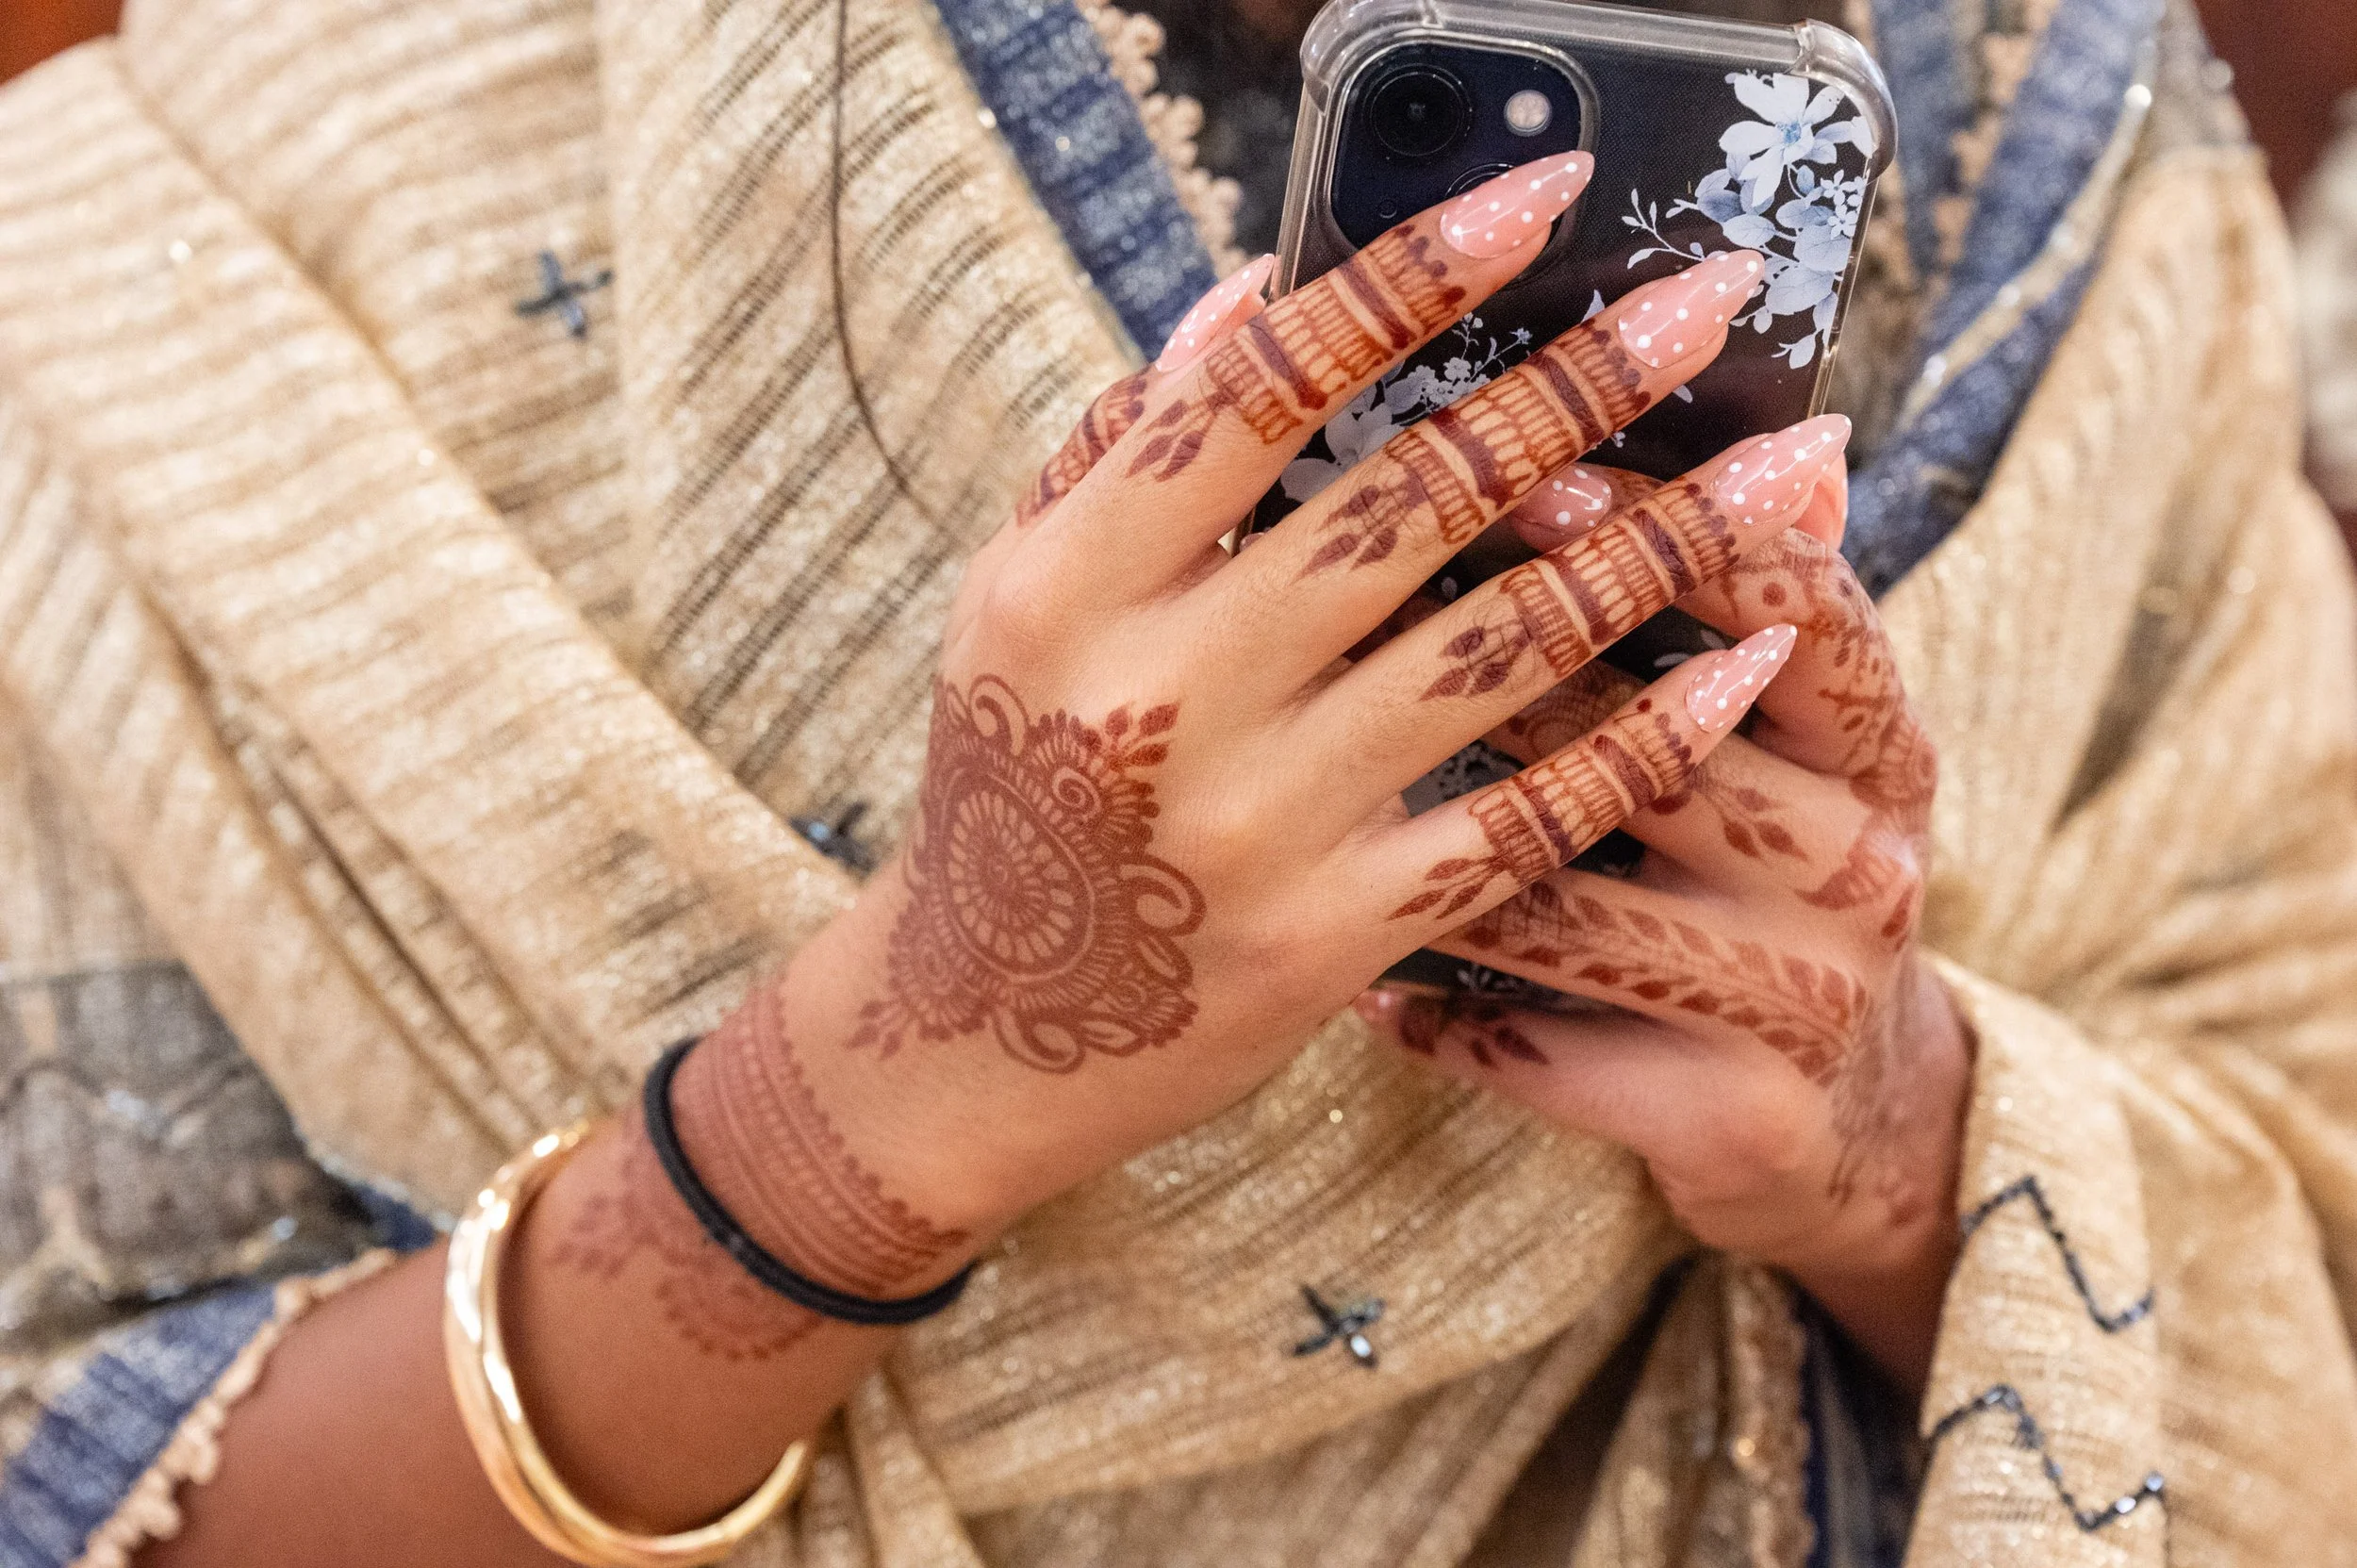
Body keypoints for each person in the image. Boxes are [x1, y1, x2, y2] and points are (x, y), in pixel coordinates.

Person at [0, 0, 2352, 1565]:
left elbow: (2293, 1117)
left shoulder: (2084, 151)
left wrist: (1902, 1147)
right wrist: (894, 1085)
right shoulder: (238, 201)